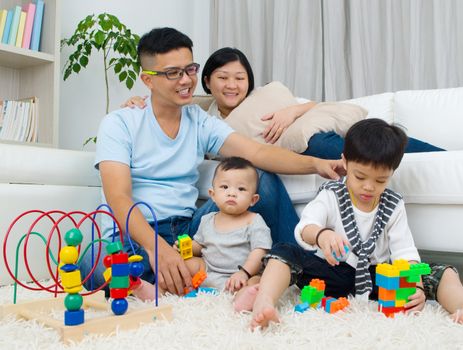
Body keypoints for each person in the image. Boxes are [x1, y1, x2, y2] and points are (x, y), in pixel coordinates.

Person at [80, 27, 344, 297]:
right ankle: (180, 277)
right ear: (148, 80)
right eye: (173, 73)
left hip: (189, 232)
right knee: (93, 265)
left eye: (190, 69)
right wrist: (156, 248)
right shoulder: (120, 123)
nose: (185, 80)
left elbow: (258, 153)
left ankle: (297, 267)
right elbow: (119, 197)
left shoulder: (199, 120)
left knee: (260, 177)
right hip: (136, 235)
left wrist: (317, 164)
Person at [246, 118, 463, 331]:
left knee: (440, 270)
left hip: (379, 277)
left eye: (380, 181)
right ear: (345, 162)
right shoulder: (332, 194)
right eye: (360, 176)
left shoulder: (393, 204)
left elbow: (405, 252)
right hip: (329, 272)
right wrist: (322, 235)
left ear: (391, 174)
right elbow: (305, 227)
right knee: (283, 252)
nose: (368, 187)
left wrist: (417, 286)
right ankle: (265, 300)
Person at [124, 47, 444, 159]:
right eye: (223, 78)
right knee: (336, 146)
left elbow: (316, 105)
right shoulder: (202, 111)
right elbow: (172, 100)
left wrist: (294, 110)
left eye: (240, 77)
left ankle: (440, 156)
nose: (232, 85)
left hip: (314, 131)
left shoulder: (264, 99)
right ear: (207, 81)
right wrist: (141, 99)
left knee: (369, 136)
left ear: (249, 81)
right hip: (305, 148)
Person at [134, 156, 272, 302]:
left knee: (259, 281)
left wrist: (244, 273)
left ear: (253, 199)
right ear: (213, 195)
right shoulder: (208, 219)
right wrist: (185, 248)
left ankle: (244, 298)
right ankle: (158, 291)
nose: (232, 193)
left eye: (241, 189)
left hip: (238, 275)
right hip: (207, 270)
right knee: (183, 264)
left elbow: (260, 251)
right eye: (224, 187)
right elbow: (200, 246)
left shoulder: (254, 221)